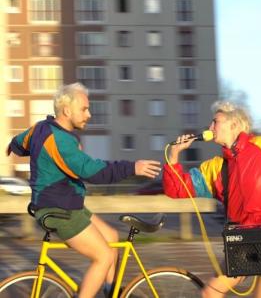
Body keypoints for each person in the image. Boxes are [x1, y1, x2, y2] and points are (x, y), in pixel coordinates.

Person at [7, 82, 161, 298]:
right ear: (67, 110)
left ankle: (110, 291)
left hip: (67, 204)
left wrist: (12, 148)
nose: (88, 114)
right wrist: (132, 167)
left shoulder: (40, 128)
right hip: (60, 210)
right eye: (84, 109)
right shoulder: (60, 141)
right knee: (104, 257)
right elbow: (94, 172)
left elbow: (18, 142)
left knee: (111, 236)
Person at [163, 100, 261, 298]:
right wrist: (174, 155)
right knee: (210, 293)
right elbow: (177, 189)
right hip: (244, 241)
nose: (210, 127)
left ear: (234, 124)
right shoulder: (215, 168)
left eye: (215, 122)